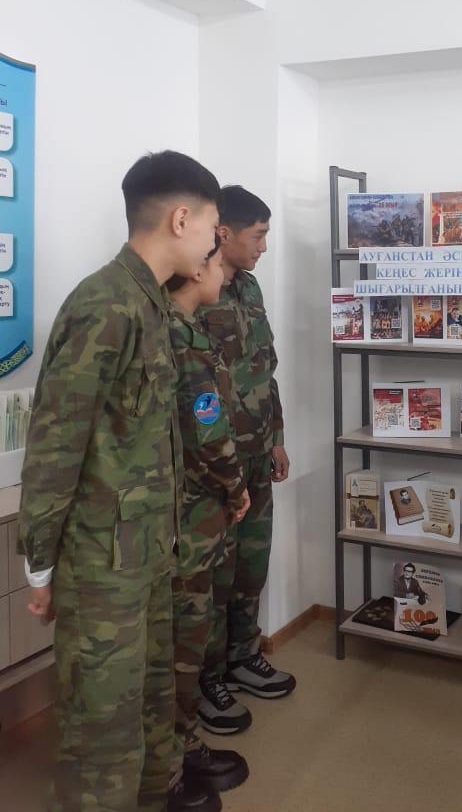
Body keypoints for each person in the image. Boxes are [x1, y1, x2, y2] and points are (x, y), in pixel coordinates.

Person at [18, 151, 221, 812]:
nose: (214, 243)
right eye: (212, 226)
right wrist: (41, 564)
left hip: (147, 552)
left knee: (151, 704)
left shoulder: (150, 304)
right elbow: (56, 444)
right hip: (102, 564)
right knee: (101, 732)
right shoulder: (105, 306)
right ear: (182, 219)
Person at [198, 186, 295, 736]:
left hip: (259, 454)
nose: (263, 246)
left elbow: (264, 369)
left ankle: (241, 657)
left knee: (251, 569)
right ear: (224, 232)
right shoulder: (193, 288)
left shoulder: (249, 287)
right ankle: (207, 677)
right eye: (257, 235)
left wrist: (277, 436)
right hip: (219, 465)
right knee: (215, 576)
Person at [167, 240, 252, 812]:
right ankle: (175, 752)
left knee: (190, 633)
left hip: (194, 514)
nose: (225, 275)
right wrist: (235, 485)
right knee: (183, 638)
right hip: (191, 515)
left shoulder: (186, 330)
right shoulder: (182, 339)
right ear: (199, 269)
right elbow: (207, 433)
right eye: (218, 264)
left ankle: (182, 741)